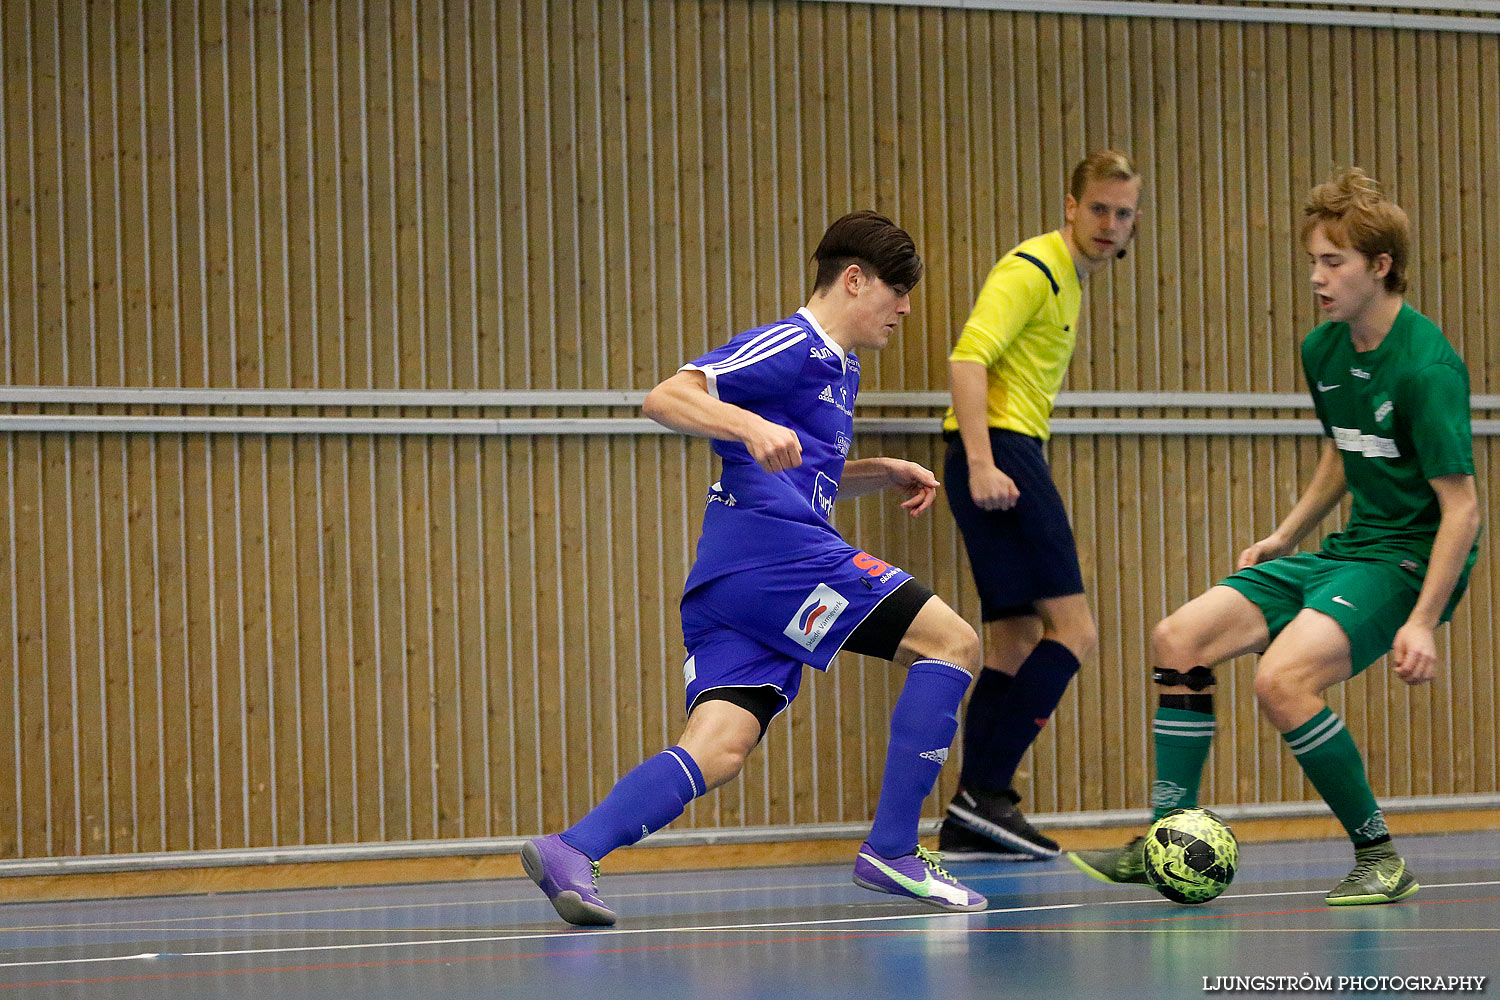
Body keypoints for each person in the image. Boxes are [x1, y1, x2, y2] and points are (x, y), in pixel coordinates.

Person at [522, 211, 988, 926]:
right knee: (953, 642)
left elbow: (791, 465)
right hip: (778, 561)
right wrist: (745, 422)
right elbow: (667, 397)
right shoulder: (794, 343)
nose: (904, 308)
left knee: (721, 745)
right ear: (854, 279)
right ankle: (892, 850)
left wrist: (876, 471)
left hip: (736, 587)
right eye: (896, 290)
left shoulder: (842, 368)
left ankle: (571, 849)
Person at [1069, 168, 1480, 905]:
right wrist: (1288, 534)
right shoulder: (1325, 351)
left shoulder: (1427, 369)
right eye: (1313, 262)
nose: (1317, 278)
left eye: (1334, 262)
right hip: (1349, 551)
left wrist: (1423, 621)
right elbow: (1343, 449)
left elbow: (1464, 510)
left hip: (1407, 561)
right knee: (1178, 638)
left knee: (1281, 681)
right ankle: (1165, 836)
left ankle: (1379, 856)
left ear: (1380, 267)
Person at [938, 150, 1142, 860]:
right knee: (1074, 629)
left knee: (1014, 640)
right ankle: (985, 794)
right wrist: (985, 460)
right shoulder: (1033, 269)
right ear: (1070, 206)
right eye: (1099, 209)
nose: (1110, 224)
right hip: (1000, 451)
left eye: (1123, 213)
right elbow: (969, 359)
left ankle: (973, 812)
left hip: (1001, 451)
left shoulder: (1074, 282)